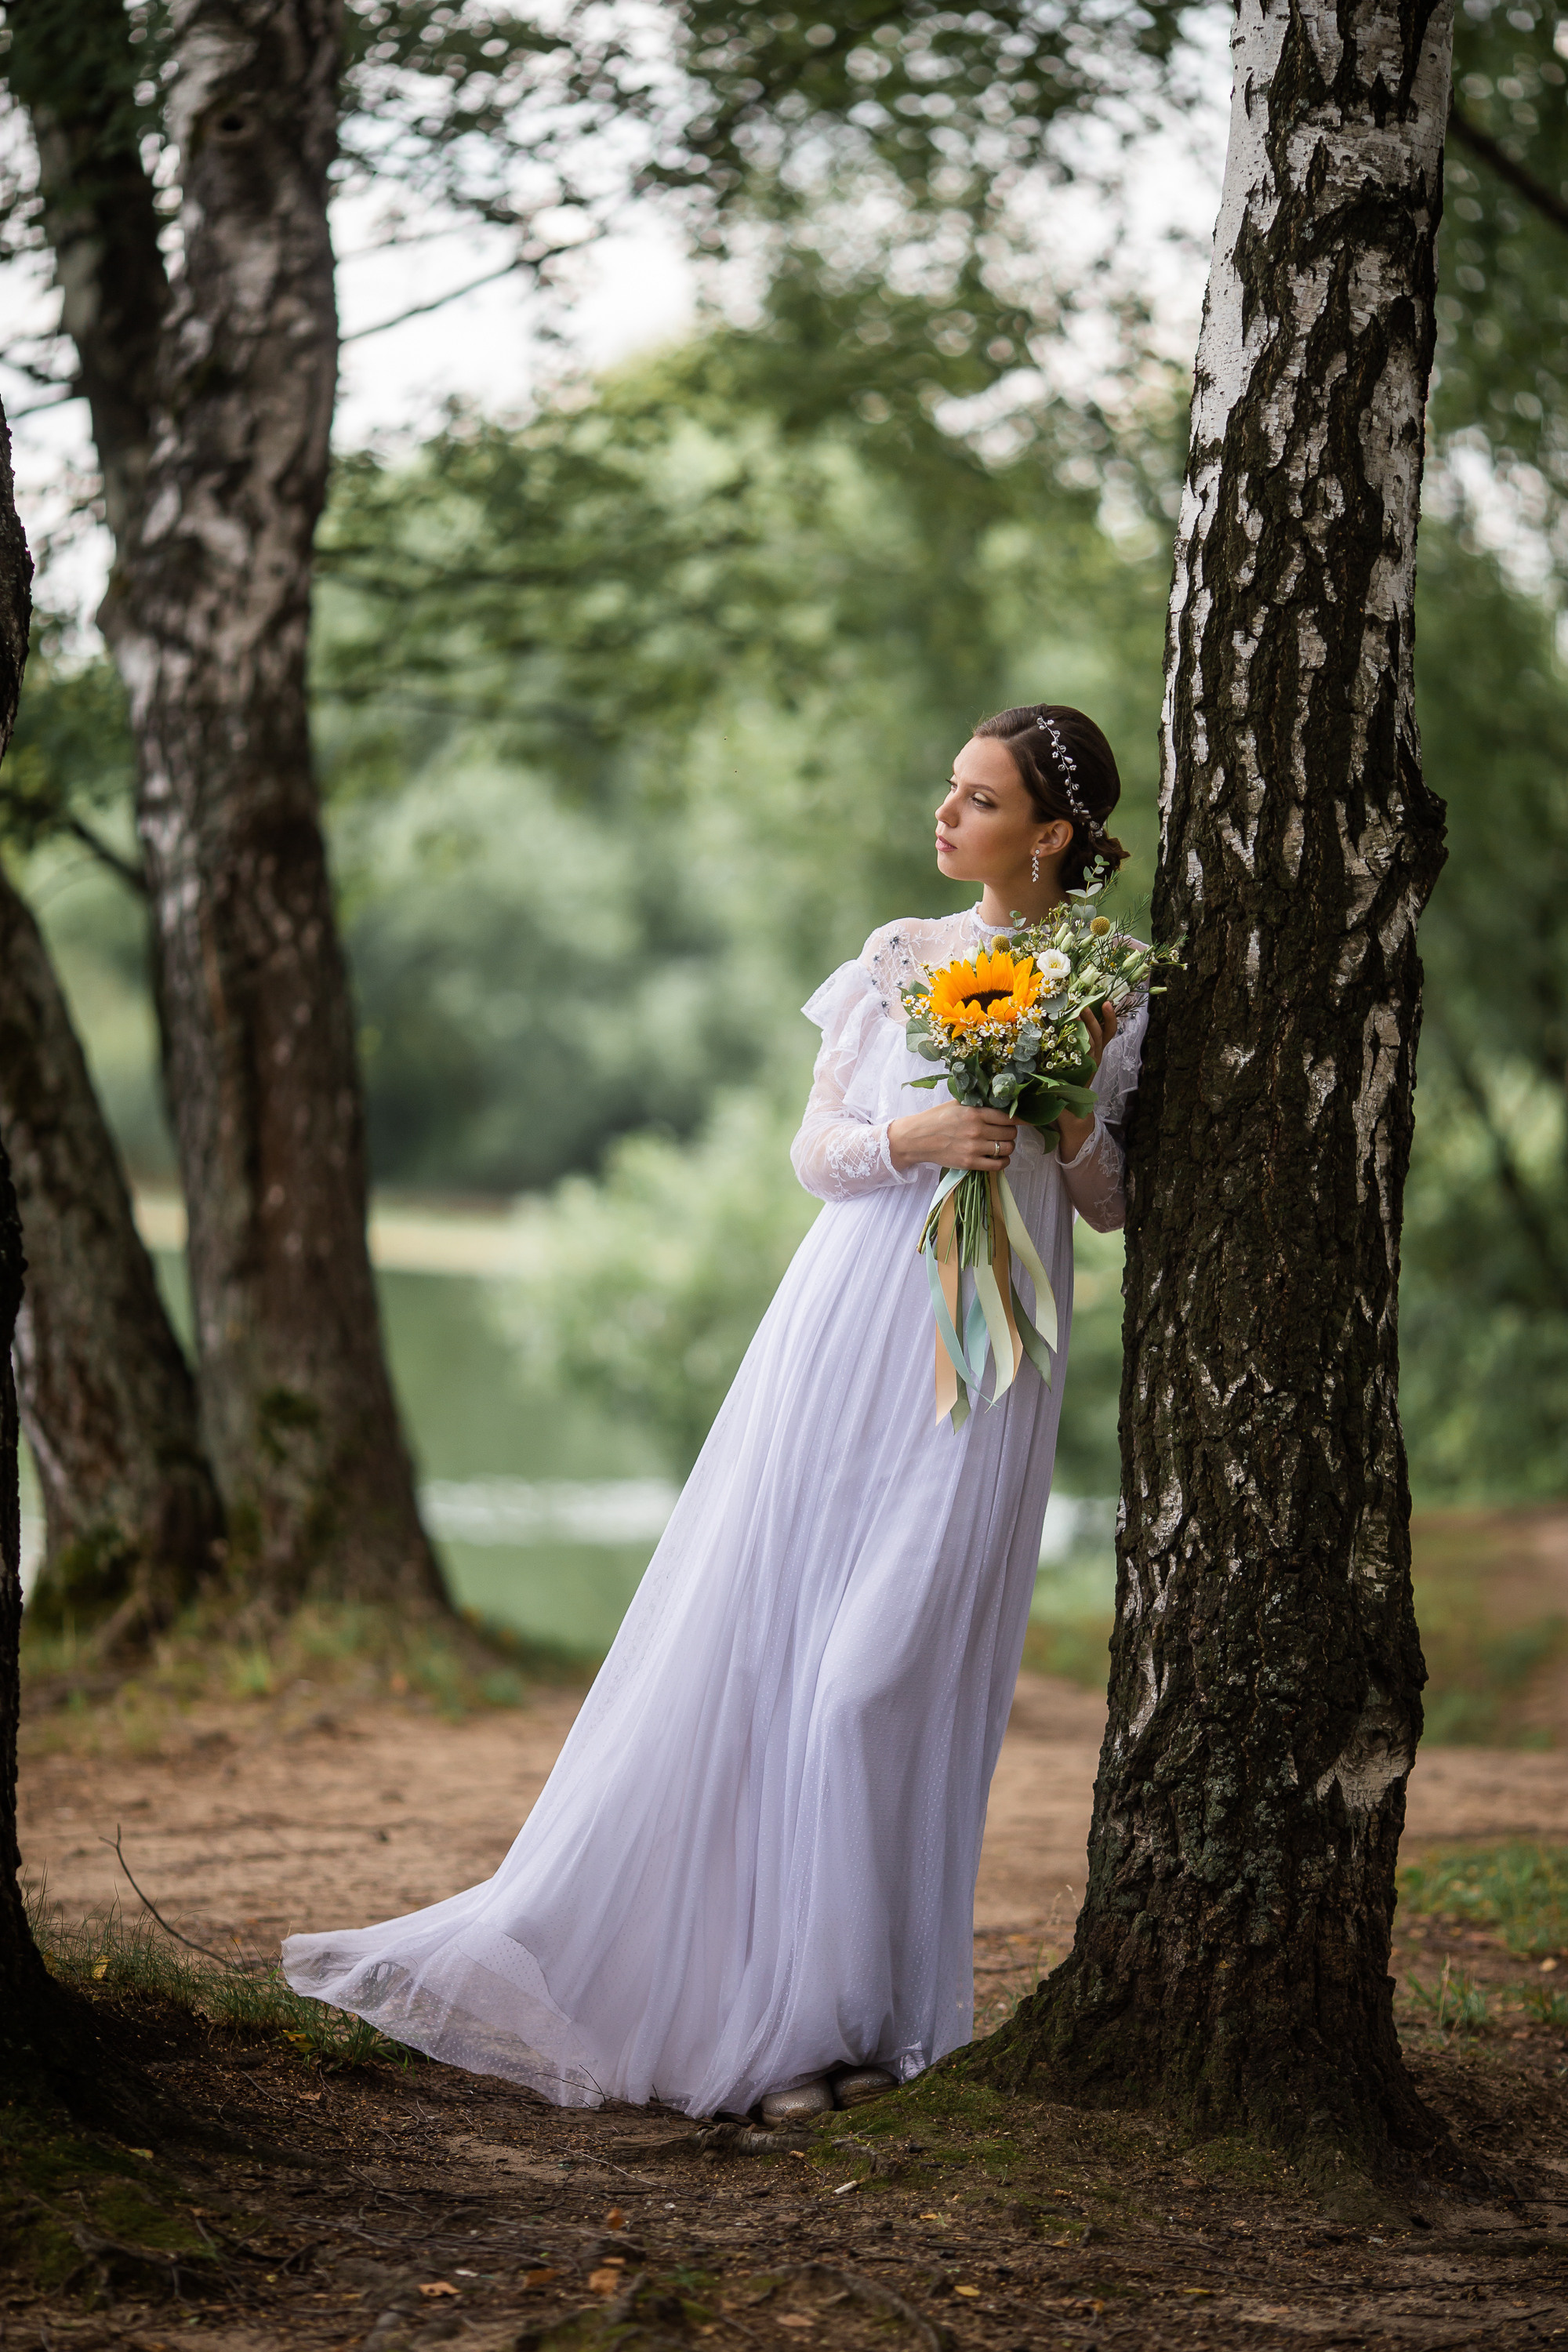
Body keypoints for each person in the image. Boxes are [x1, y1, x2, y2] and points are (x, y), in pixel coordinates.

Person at [281, 702, 1146, 2121]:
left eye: (976, 800)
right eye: (950, 788)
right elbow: (817, 1153)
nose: (943, 816)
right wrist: (913, 1136)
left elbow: (1111, 1206)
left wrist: (1066, 1117)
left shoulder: (1112, 982)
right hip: (846, 1330)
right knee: (779, 1654)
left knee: (877, 1684)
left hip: (985, 1356)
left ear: (1050, 836)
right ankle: (794, 2033)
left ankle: (863, 2017)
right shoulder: (901, 960)